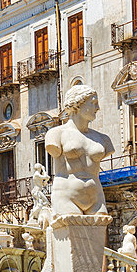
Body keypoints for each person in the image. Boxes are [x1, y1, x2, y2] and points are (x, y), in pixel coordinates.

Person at [44, 85, 114, 216]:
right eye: (93, 103)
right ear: (78, 104)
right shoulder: (56, 134)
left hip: (96, 198)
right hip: (66, 196)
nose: (97, 108)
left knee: (100, 232)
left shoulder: (103, 139)